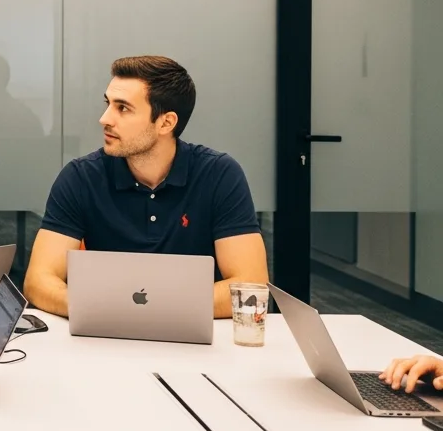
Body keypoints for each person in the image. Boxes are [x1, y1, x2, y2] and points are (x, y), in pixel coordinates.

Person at [23, 56, 268, 320]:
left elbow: (251, 286)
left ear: (166, 123)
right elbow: (38, 281)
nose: (104, 119)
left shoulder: (219, 174)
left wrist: (140, 309)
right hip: (107, 330)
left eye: (123, 108)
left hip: (192, 337)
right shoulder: (81, 177)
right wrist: (111, 310)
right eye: (108, 104)